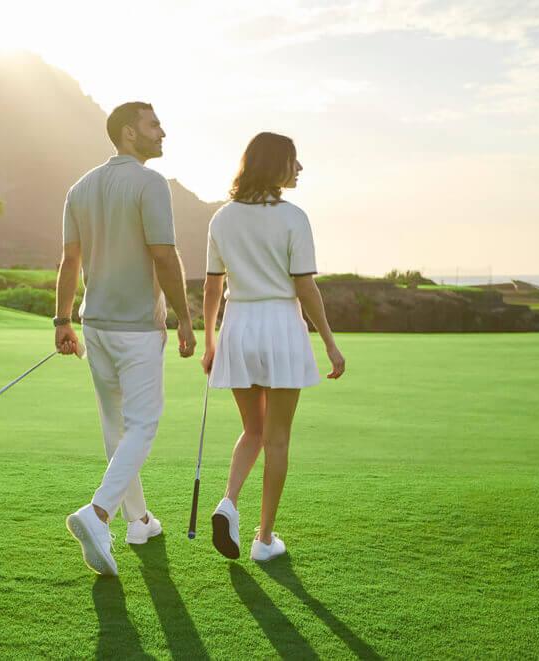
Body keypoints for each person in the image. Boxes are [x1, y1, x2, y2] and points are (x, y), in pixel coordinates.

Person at [56, 101, 196, 576]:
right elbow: (164, 255)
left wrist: (61, 321)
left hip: (95, 325)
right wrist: (184, 316)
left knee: (117, 428)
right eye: (154, 124)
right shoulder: (150, 184)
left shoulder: (80, 188)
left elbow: (69, 262)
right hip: (136, 329)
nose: (163, 131)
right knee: (143, 425)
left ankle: (139, 521)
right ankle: (97, 514)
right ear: (129, 134)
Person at [200, 132, 345, 562]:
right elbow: (305, 286)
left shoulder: (221, 219)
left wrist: (210, 341)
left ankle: (228, 502)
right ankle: (264, 540)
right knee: (277, 438)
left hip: (239, 326)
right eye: (293, 161)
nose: (299, 169)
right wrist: (331, 345)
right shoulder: (294, 217)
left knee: (253, 430)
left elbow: (212, 285)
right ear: (274, 165)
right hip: (280, 325)